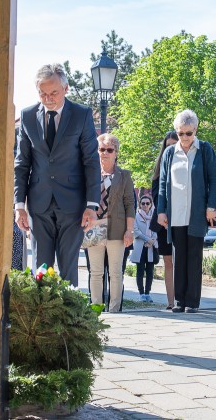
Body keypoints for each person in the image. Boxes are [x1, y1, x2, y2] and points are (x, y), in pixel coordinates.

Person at [14, 64, 101, 286]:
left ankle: (67, 308)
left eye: (53, 93)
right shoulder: (27, 116)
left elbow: (91, 161)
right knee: (41, 268)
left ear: (66, 88)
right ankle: (42, 308)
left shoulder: (81, 115)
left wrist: (92, 205)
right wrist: (19, 206)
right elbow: (22, 164)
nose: (48, 99)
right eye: (42, 94)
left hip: (73, 205)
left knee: (67, 268)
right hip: (39, 204)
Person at [157, 110, 216, 313]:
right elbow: (163, 183)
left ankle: (192, 302)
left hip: (196, 212)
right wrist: (161, 210)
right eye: (180, 133)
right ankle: (179, 301)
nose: (184, 137)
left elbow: (214, 179)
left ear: (195, 130)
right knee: (179, 258)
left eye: (189, 133)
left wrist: (211, 207)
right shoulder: (169, 153)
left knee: (194, 257)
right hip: (175, 213)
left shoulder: (205, 149)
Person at [85, 133, 135, 312]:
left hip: (117, 229)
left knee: (115, 272)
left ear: (116, 153)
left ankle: (114, 309)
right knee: (96, 272)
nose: (105, 153)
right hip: (94, 227)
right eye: (101, 149)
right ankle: (96, 309)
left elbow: (130, 204)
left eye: (109, 150)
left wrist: (129, 230)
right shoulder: (89, 173)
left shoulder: (124, 175)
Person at [150, 131, 178, 309]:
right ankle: (171, 301)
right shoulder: (158, 170)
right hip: (163, 223)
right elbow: (156, 196)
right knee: (168, 262)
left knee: (182, 262)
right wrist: (164, 215)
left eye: (174, 145)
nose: (171, 149)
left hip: (183, 221)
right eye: (168, 146)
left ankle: (183, 299)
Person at [131, 195, 158, 302]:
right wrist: (147, 239)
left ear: (151, 204)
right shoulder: (136, 216)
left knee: (150, 272)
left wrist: (152, 241)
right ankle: (141, 293)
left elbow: (156, 230)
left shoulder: (154, 216)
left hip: (151, 247)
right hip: (140, 247)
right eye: (143, 203)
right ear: (140, 204)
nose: (145, 205)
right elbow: (136, 231)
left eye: (147, 203)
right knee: (140, 271)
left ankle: (148, 293)